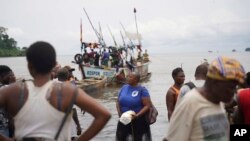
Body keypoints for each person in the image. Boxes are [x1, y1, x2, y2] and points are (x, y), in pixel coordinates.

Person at [0, 41, 111, 141]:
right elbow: (104, 115)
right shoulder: (66, 91)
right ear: (53, 64)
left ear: (29, 65)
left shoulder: (11, 92)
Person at [163, 56, 245, 141]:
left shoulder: (218, 102)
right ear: (215, 81)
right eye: (231, 86)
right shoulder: (190, 102)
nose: (234, 91)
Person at [116, 72, 152, 141]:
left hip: (138, 120)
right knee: (121, 137)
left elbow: (147, 106)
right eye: (128, 76)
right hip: (124, 118)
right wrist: (119, 113)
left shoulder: (142, 90)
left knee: (137, 138)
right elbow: (118, 101)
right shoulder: (124, 87)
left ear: (136, 80)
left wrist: (137, 116)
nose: (127, 78)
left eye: (130, 77)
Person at [57, 68, 82, 141]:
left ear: (57, 76)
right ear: (68, 76)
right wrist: (78, 125)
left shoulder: (51, 87)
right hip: (68, 127)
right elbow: (73, 110)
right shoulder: (69, 89)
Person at [0, 65, 16, 137]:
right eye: (11, 75)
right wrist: (12, 85)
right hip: (2, 129)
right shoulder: (5, 89)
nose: (13, 77)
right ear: (1, 76)